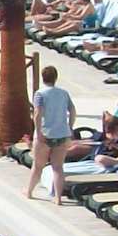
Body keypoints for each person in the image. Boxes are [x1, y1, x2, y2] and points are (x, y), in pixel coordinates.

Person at [25, 64, 78, 204]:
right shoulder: (63, 93)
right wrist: (69, 127)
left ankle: (29, 191)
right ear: (56, 78)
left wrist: (38, 131)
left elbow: (37, 113)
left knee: (38, 166)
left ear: (43, 78)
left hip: (45, 134)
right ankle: (58, 197)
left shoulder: (40, 94)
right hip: (61, 134)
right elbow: (72, 111)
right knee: (58, 167)